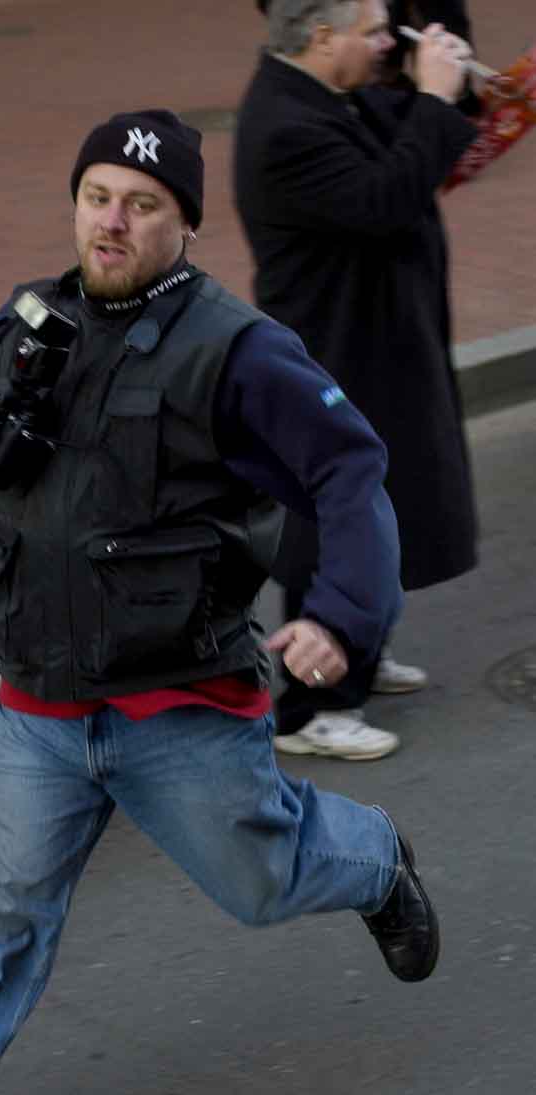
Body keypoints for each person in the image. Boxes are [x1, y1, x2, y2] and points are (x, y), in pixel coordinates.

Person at [0, 108, 439, 1095]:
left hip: (183, 705)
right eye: (97, 195)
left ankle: (374, 858)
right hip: (40, 706)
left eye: (142, 203)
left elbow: (352, 471)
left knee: (262, 886)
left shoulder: (239, 349)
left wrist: (343, 617)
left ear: (185, 225)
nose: (112, 219)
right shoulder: (34, 317)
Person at [235, 0, 479, 760]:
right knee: (333, 517)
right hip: (334, 352)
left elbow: (412, 144)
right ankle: (314, 706)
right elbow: (384, 198)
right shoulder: (286, 125)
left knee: (381, 503)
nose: (385, 45)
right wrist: (435, 97)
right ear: (319, 36)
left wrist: (442, 78)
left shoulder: (319, 93)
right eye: (372, 32)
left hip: (372, 340)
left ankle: (357, 652)